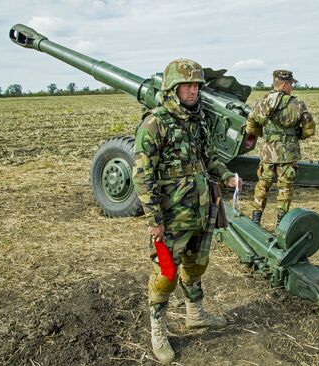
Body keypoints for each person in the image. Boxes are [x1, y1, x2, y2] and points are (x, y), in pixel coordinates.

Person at [132, 58, 242, 363]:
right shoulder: (154, 123)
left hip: (201, 210)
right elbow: (142, 175)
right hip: (171, 216)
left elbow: (210, 159)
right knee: (166, 272)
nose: (193, 91)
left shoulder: (200, 120)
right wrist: (154, 220)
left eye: (196, 85)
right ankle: (158, 330)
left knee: (197, 264)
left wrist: (227, 176)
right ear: (172, 87)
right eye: (188, 85)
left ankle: (195, 313)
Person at [245, 70, 315, 227]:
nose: (292, 87)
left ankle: (255, 220)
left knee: (262, 185)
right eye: (291, 84)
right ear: (284, 84)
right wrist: (295, 137)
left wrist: (269, 137)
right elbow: (309, 129)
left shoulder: (260, 103)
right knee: (284, 189)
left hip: (268, 153)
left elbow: (250, 128)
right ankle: (280, 223)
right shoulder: (297, 104)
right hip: (288, 154)